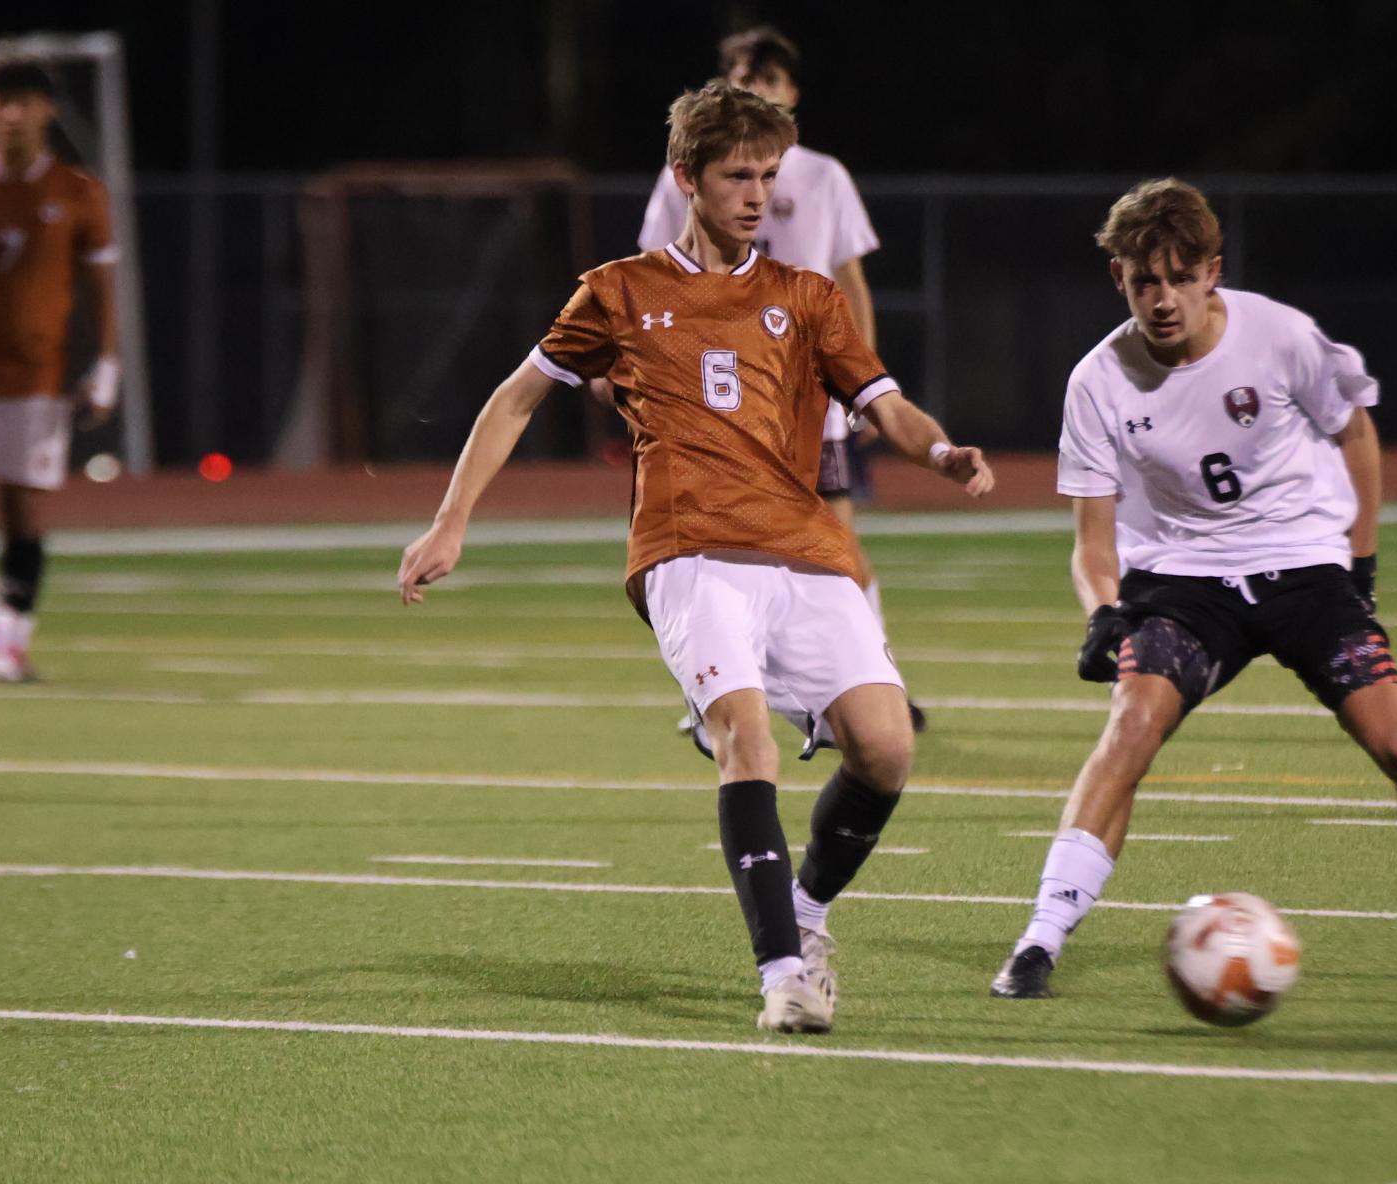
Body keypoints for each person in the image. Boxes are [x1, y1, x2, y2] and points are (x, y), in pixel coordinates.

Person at [397, 83, 994, 1034]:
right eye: (737, 176)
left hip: (803, 547)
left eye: (768, 176)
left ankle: (805, 912)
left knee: (885, 748)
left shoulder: (807, 297)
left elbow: (885, 401)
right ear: (687, 177)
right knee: (743, 739)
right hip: (690, 552)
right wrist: (450, 520)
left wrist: (937, 450)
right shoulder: (620, 291)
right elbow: (514, 399)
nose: (759, 196)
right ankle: (784, 975)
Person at [989, 179, 1397, 999]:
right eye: (1146, 281)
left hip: (1303, 567)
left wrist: (1360, 565)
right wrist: (1103, 613)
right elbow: (1092, 542)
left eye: (1181, 277)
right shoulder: (1096, 381)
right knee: (1129, 726)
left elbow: (1354, 429)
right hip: (1183, 583)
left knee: (1396, 744)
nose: (1164, 299)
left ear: (1213, 270)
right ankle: (1039, 941)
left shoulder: (1280, 335)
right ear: (1119, 279)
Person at [632, 27, 928, 736]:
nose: (756, 91)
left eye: (769, 80)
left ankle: (870, 678)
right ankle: (715, 691)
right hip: (717, 401)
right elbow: (656, 275)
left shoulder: (823, 176)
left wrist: (864, 384)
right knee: (714, 548)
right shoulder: (686, 177)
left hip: (806, 402)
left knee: (835, 543)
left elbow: (850, 281)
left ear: (792, 94)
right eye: (742, 78)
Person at [0, 59, 119, 683]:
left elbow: (101, 284)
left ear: (46, 109)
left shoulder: (77, 190)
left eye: (20, 101)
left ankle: (8, 641)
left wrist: (107, 361)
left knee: (22, 510)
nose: (8, 114)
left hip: (34, 376)